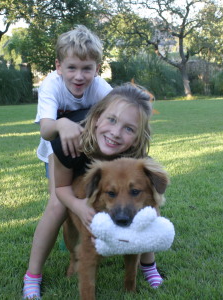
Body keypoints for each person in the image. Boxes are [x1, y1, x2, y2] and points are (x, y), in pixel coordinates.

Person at [23, 25, 112, 299]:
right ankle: (32, 276)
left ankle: (141, 260)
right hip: (55, 151)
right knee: (58, 205)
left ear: (97, 68)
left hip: (89, 150)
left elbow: (119, 111)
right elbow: (45, 129)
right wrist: (62, 124)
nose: (79, 76)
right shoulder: (52, 84)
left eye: (87, 68)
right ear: (59, 66)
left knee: (102, 194)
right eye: (72, 67)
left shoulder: (99, 87)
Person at [52, 84, 164, 295]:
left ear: (138, 135)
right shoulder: (69, 144)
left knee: (145, 219)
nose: (116, 132)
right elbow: (61, 186)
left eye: (129, 128)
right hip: (69, 171)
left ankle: (148, 266)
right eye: (112, 120)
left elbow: (156, 191)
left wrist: (153, 211)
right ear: (96, 118)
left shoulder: (140, 163)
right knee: (57, 207)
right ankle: (38, 271)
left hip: (102, 173)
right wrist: (78, 205)